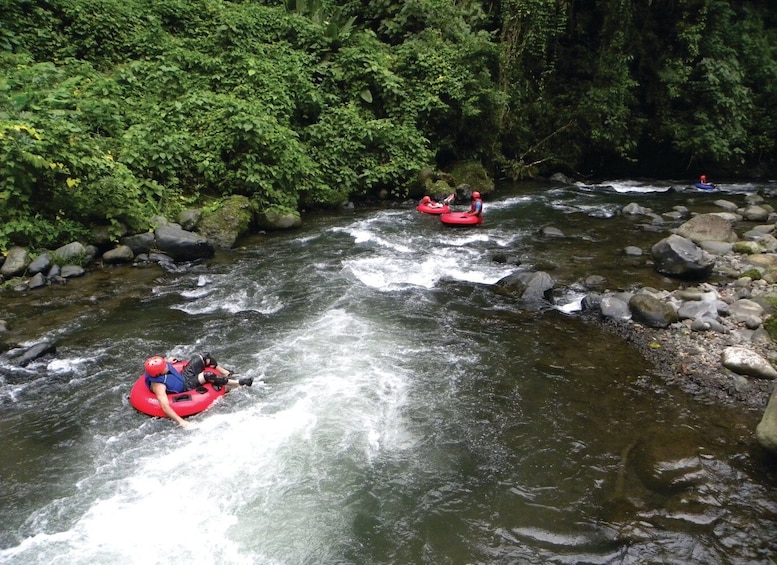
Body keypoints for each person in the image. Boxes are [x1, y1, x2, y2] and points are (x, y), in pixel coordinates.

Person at [143, 352, 252, 428]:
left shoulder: (161, 367)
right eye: (164, 365)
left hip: (182, 377)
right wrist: (182, 422)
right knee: (208, 375)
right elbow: (165, 407)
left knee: (204, 357)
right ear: (160, 372)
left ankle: (226, 373)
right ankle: (238, 383)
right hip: (184, 388)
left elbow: (165, 363)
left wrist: (168, 361)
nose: (166, 365)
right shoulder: (158, 385)